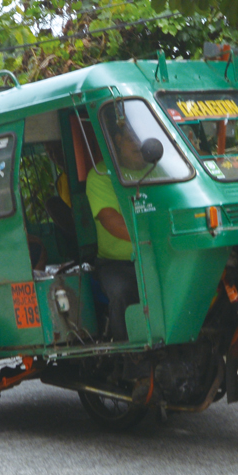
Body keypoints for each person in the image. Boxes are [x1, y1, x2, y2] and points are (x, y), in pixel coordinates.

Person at [86, 119, 148, 341]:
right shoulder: (101, 175)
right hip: (117, 264)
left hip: (162, 255)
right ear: (118, 141)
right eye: (133, 138)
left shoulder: (161, 169)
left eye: (143, 136)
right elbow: (111, 221)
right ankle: (132, 365)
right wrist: (152, 237)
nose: (140, 143)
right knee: (123, 292)